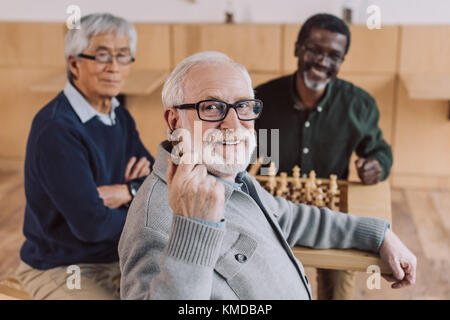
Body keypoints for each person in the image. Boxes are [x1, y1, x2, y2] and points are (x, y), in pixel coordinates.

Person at [118, 51, 416, 300]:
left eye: (244, 106)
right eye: (212, 107)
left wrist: (377, 235)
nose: (234, 125)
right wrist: (193, 229)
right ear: (174, 120)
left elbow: (286, 218)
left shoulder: (228, 176)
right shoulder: (154, 222)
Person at [254, 13, 394, 300]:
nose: (322, 61)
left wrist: (377, 165)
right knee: (259, 285)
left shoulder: (358, 105)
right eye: (314, 50)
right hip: (273, 212)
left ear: (342, 61)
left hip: (330, 215)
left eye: (334, 55)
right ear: (297, 48)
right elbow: (241, 155)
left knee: (339, 288)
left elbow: (379, 150)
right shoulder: (262, 100)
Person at [15, 13, 154, 300]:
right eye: (102, 56)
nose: (114, 67)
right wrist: (138, 205)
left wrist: (127, 191)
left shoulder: (119, 115)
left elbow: (155, 182)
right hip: (65, 267)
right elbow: (91, 225)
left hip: (119, 255)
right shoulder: (57, 129)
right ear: (74, 63)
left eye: (123, 56)